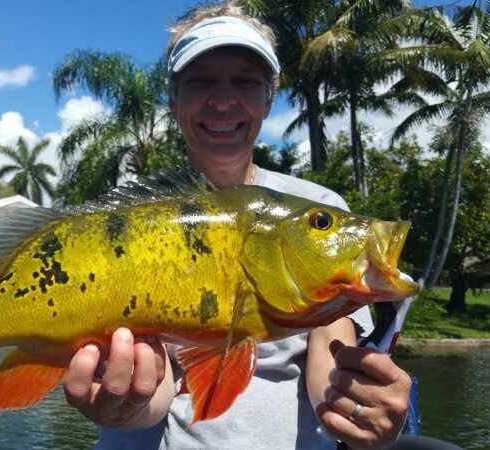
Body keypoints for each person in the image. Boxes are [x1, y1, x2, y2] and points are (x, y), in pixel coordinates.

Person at [63, 4, 412, 449]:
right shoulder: (134, 224)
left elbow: (331, 348)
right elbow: (162, 386)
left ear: (269, 97)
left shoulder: (318, 205)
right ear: (173, 99)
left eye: (245, 81)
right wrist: (124, 405)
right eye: (201, 81)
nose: (223, 100)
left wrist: (356, 408)